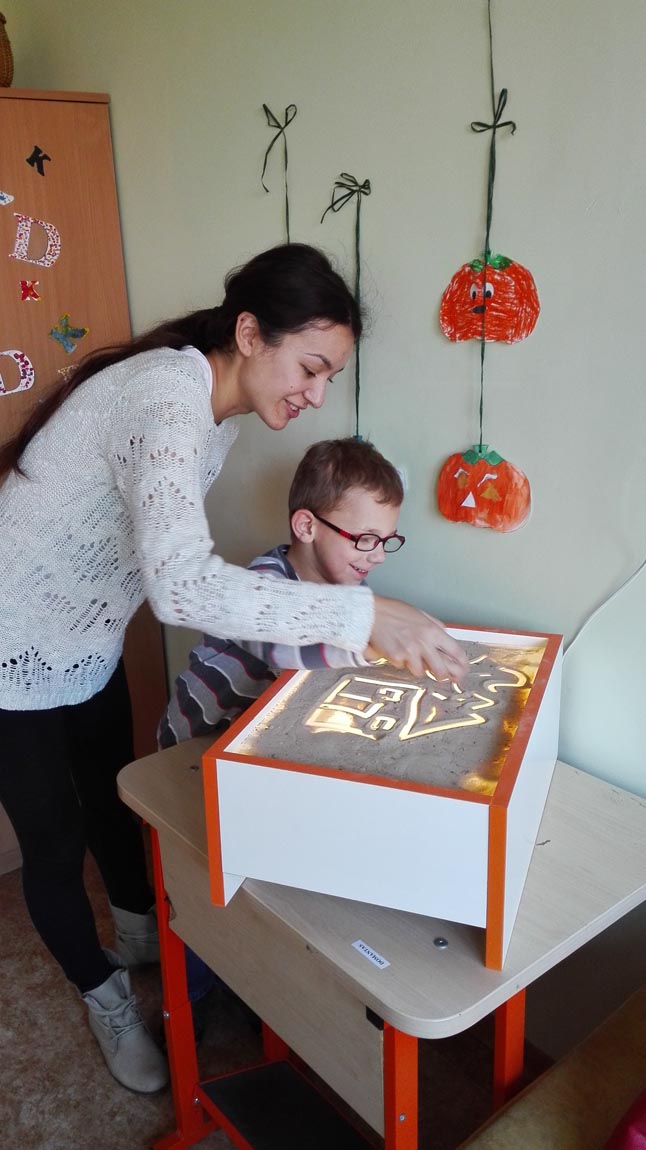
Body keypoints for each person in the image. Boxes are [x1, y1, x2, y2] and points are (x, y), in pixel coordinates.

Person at [0, 242, 466, 1095]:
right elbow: (181, 584)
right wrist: (362, 616)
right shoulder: (164, 397)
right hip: (7, 643)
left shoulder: (215, 417)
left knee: (113, 793)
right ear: (249, 334)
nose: (316, 394)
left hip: (87, 639)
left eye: (329, 378)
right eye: (311, 368)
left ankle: (138, 934)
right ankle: (104, 996)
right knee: (54, 841)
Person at [159, 435, 408, 1022]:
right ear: (306, 525)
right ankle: (188, 1000)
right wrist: (381, 643)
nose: (375, 555)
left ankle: (245, 981)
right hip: (192, 746)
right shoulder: (262, 585)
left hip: (250, 748)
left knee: (257, 876)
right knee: (196, 883)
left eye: (386, 540)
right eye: (364, 539)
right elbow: (287, 653)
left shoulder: (350, 589)